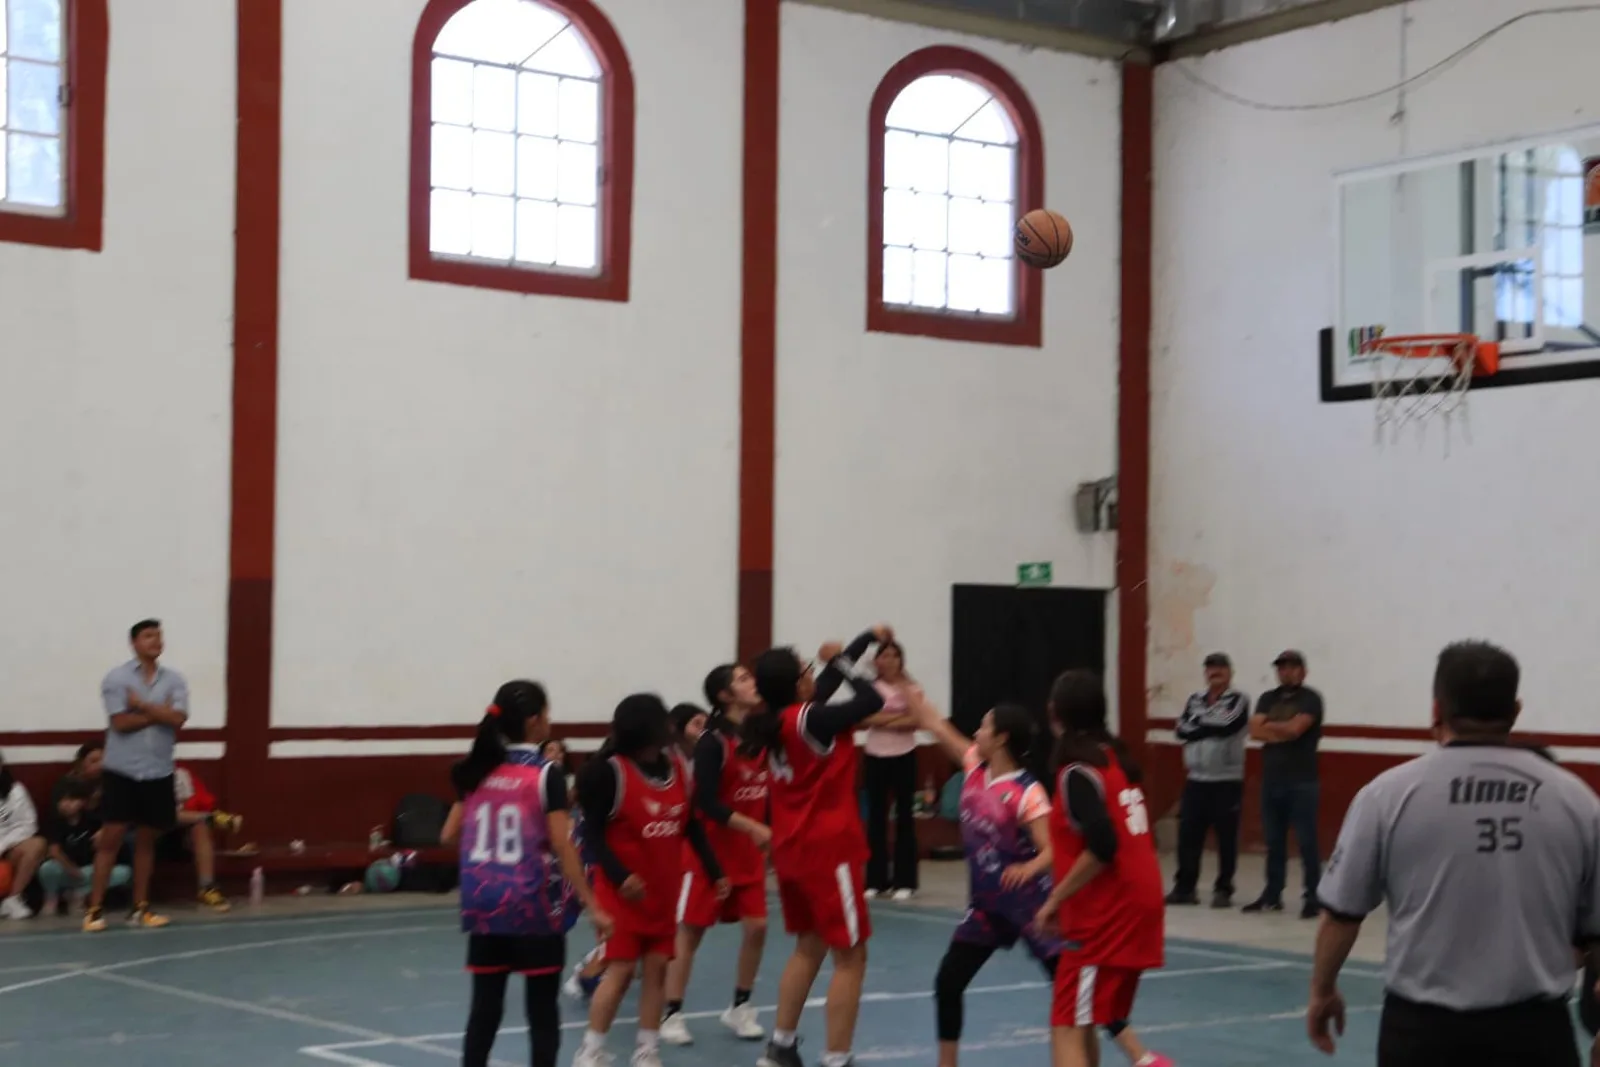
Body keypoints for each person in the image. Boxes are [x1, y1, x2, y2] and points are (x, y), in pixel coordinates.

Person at [1309, 641, 1600, 1067]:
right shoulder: (1576, 800)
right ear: (1515, 710)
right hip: (1535, 1033)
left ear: (1436, 710)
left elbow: (1341, 916)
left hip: (1423, 1034)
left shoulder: (1387, 796)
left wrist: (1322, 991)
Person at [748, 626, 889, 1067]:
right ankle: (837, 1057)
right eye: (808, 669)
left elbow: (825, 687)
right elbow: (872, 700)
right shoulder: (812, 719)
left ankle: (781, 1045)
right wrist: (846, 662)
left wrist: (864, 638)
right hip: (829, 851)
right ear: (797, 683)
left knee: (808, 947)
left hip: (793, 851)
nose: (816, 673)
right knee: (851, 956)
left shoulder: (781, 720)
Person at [453, 679, 606, 1067]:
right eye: (548, 714)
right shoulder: (544, 775)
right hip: (530, 905)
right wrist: (592, 904)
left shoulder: (477, 771)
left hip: (484, 903)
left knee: (484, 1010)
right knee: (541, 1012)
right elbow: (561, 843)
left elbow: (447, 833)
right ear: (535, 721)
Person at [574, 694, 725, 1067]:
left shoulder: (677, 769)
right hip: (622, 893)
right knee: (622, 970)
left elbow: (691, 826)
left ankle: (647, 1050)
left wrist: (715, 869)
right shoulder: (611, 772)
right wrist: (619, 875)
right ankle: (590, 1050)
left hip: (663, 891)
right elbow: (590, 835)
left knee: (656, 969)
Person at [909, 698, 1056, 1067]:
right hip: (987, 908)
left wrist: (1029, 868)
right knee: (948, 982)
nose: (977, 732)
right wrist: (900, 682)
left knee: (1072, 989)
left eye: (985, 726)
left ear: (1002, 737)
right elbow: (935, 725)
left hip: (1032, 909)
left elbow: (1054, 850)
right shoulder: (974, 766)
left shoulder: (1027, 792)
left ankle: (1130, 1050)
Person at [1035, 670, 1167, 1067]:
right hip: (1141, 904)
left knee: (1068, 1024)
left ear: (1056, 712)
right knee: (1087, 1016)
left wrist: (1054, 899)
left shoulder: (1077, 773)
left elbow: (1103, 846)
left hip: (1109, 913)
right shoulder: (1117, 762)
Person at [662, 664, 772, 1046]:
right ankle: (672, 1012)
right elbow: (704, 802)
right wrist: (753, 827)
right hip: (709, 853)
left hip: (749, 854)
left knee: (758, 928)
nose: (752, 681)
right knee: (691, 932)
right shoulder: (712, 742)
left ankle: (740, 1006)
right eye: (743, 679)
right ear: (724, 695)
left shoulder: (759, 732)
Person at [88, 618, 190, 932]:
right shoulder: (117, 679)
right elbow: (120, 722)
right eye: (148, 636)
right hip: (123, 771)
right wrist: (160, 713)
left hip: (158, 770)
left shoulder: (174, 680)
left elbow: (179, 719)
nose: (155, 641)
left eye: (159, 636)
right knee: (111, 840)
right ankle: (94, 909)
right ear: (134, 642)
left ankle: (140, 907)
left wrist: (143, 707)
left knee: (146, 841)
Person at [1245, 649, 1324, 918]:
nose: (1285, 672)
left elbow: (1296, 730)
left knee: (1306, 841)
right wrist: (1282, 728)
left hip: (1302, 781)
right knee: (1274, 841)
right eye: (1281, 667)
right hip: (1272, 780)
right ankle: (1272, 894)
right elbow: (1254, 730)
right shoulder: (1268, 697)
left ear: (1303, 670)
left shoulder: (1311, 699)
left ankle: (1313, 896)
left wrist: (1272, 727)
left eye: (1291, 667)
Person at [1167, 652, 1248, 908]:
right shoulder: (1195, 699)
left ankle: (1223, 889)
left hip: (1226, 780)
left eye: (1221, 667)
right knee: (1189, 836)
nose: (1216, 672)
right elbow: (1180, 729)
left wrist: (1197, 724)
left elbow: (1228, 724)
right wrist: (1206, 724)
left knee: (1226, 838)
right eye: (1211, 667)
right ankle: (1185, 888)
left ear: (1230, 672)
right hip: (1196, 780)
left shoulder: (1239, 699)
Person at [861, 640, 921, 901]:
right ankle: (876, 880)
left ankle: (905, 880)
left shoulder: (912, 688)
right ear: (877, 661)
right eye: (885, 655)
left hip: (904, 756)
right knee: (876, 818)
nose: (890, 660)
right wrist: (897, 718)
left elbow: (916, 720)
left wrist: (884, 719)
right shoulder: (870, 690)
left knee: (905, 818)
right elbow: (864, 719)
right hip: (875, 756)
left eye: (895, 656)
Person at [40, 777, 131, 915]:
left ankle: (79, 894)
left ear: (83, 802)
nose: (67, 804)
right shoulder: (54, 821)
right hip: (65, 869)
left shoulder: (93, 820)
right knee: (47, 868)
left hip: (88, 871)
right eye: (63, 800)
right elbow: (54, 851)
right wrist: (71, 869)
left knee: (124, 872)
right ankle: (52, 898)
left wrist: (104, 834)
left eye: (72, 800)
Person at [167, 763, 243, 912]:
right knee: (157, 816)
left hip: (177, 831)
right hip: (145, 834)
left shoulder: (180, 773)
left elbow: (195, 803)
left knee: (200, 827)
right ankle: (212, 819)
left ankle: (207, 888)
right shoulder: (133, 776)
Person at [0, 752, 47, 919]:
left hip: (8, 848)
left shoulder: (15, 791)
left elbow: (28, 824)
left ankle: (12, 900)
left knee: (37, 844)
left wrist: (3, 846)